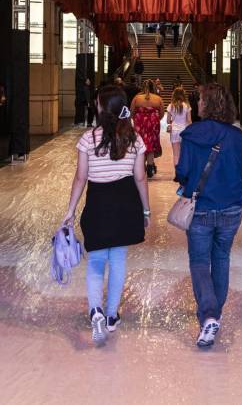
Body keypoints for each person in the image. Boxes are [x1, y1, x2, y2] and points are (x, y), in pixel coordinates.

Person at [62, 85, 151, 344]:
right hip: (125, 203)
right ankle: (111, 315)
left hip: (98, 204)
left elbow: (81, 178)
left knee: (97, 261)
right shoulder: (133, 139)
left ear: (103, 108)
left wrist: (70, 210)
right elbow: (140, 177)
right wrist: (145, 209)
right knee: (119, 261)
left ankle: (95, 311)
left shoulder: (88, 139)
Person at [175, 83, 242, 348]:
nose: (197, 105)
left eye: (200, 101)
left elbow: (183, 171)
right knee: (221, 257)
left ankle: (208, 315)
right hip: (231, 207)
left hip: (201, 208)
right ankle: (213, 315)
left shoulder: (192, 134)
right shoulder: (236, 136)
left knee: (198, 260)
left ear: (206, 105)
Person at [130, 79, 164, 178]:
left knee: (140, 144)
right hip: (153, 124)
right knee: (151, 145)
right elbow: (161, 114)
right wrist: (153, 119)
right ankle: (150, 167)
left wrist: (139, 119)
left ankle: (141, 166)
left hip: (139, 124)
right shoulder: (158, 98)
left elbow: (131, 113)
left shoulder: (136, 98)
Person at [166, 87, 192, 174]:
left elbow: (167, 121)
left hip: (174, 131)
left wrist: (173, 121)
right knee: (184, 153)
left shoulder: (171, 106)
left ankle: (177, 173)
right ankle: (184, 172)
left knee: (176, 154)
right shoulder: (187, 106)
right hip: (184, 130)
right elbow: (189, 121)